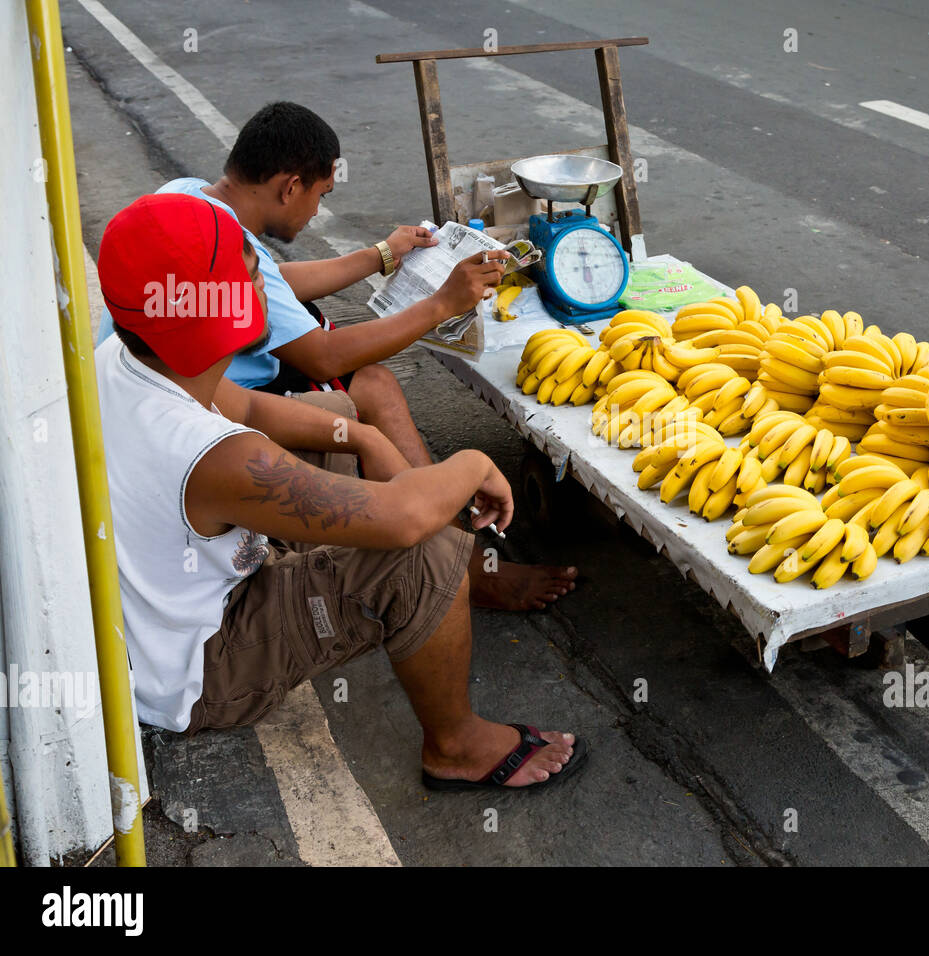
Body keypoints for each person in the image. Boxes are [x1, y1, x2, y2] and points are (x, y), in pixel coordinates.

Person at [95, 191, 583, 790]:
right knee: (423, 553)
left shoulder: (128, 358)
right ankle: (455, 747)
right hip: (199, 670)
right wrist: (474, 461)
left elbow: (245, 404)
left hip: (156, 605)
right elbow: (402, 519)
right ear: (214, 309)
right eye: (253, 275)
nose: (268, 286)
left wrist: (361, 435)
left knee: (340, 409)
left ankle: (348, 560)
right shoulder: (215, 456)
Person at [97, 100, 577, 612]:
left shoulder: (190, 199)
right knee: (374, 389)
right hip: (200, 389)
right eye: (320, 195)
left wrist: (382, 255)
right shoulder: (227, 252)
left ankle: (449, 541)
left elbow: (279, 285)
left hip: (174, 373)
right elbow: (322, 357)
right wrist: (441, 305)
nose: (318, 211)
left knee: (367, 385)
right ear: (289, 187)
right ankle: (468, 564)